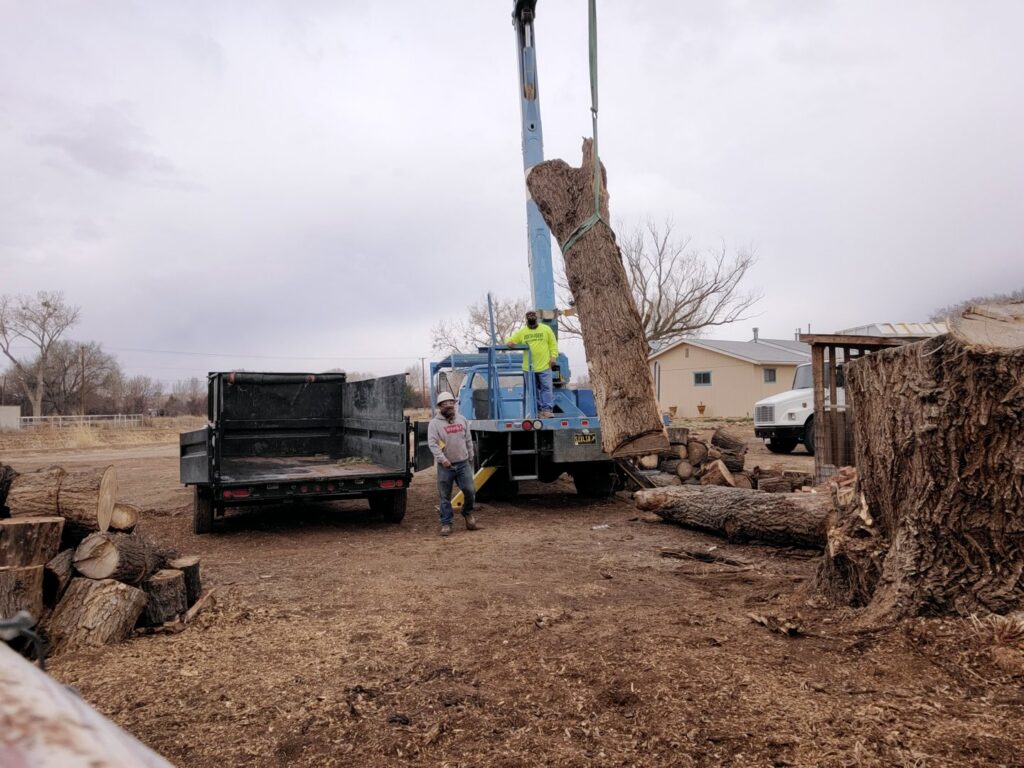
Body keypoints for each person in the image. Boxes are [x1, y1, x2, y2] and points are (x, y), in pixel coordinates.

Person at [427, 391, 480, 537]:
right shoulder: (434, 424)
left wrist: (471, 457)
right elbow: (432, 444)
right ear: (440, 407)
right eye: (445, 404)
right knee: (445, 496)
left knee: (470, 490)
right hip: (445, 466)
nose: (449, 405)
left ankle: (467, 512)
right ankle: (446, 523)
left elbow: (468, 440)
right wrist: (442, 459)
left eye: (451, 403)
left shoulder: (462, 420)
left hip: (463, 463)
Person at [506, 310, 559, 418]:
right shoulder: (523, 332)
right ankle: (538, 410)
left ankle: (547, 410)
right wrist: (509, 342)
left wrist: (553, 357)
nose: (532, 319)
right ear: (527, 320)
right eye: (529, 317)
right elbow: (509, 340)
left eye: (533, 317)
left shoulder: (546, 329)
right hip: (529, 367)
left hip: (544, 365)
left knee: (547, 388)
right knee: (533, 390)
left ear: (537, 319)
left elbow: (553, 344)